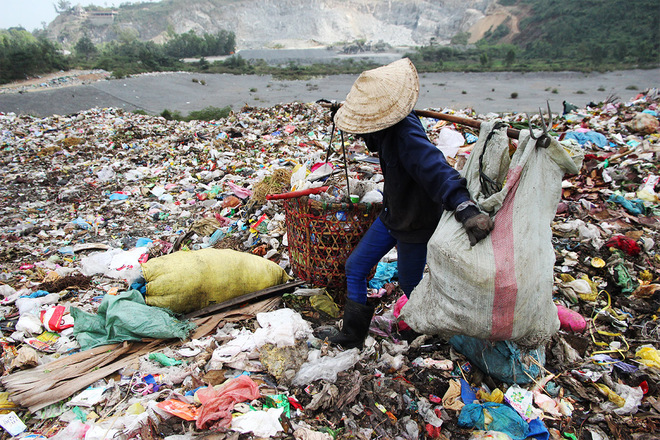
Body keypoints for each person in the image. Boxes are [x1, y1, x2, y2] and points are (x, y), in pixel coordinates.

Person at [328, 58, 494, 349]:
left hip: (415, 222)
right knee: (356, 266)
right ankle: (352, 335)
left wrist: (461, 203)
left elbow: (434, 166)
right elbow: (375, 138)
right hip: (393, 213)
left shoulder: (406, 133)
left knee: (410, 283)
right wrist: (345, 113)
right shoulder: (385, 127)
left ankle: (422, 330)